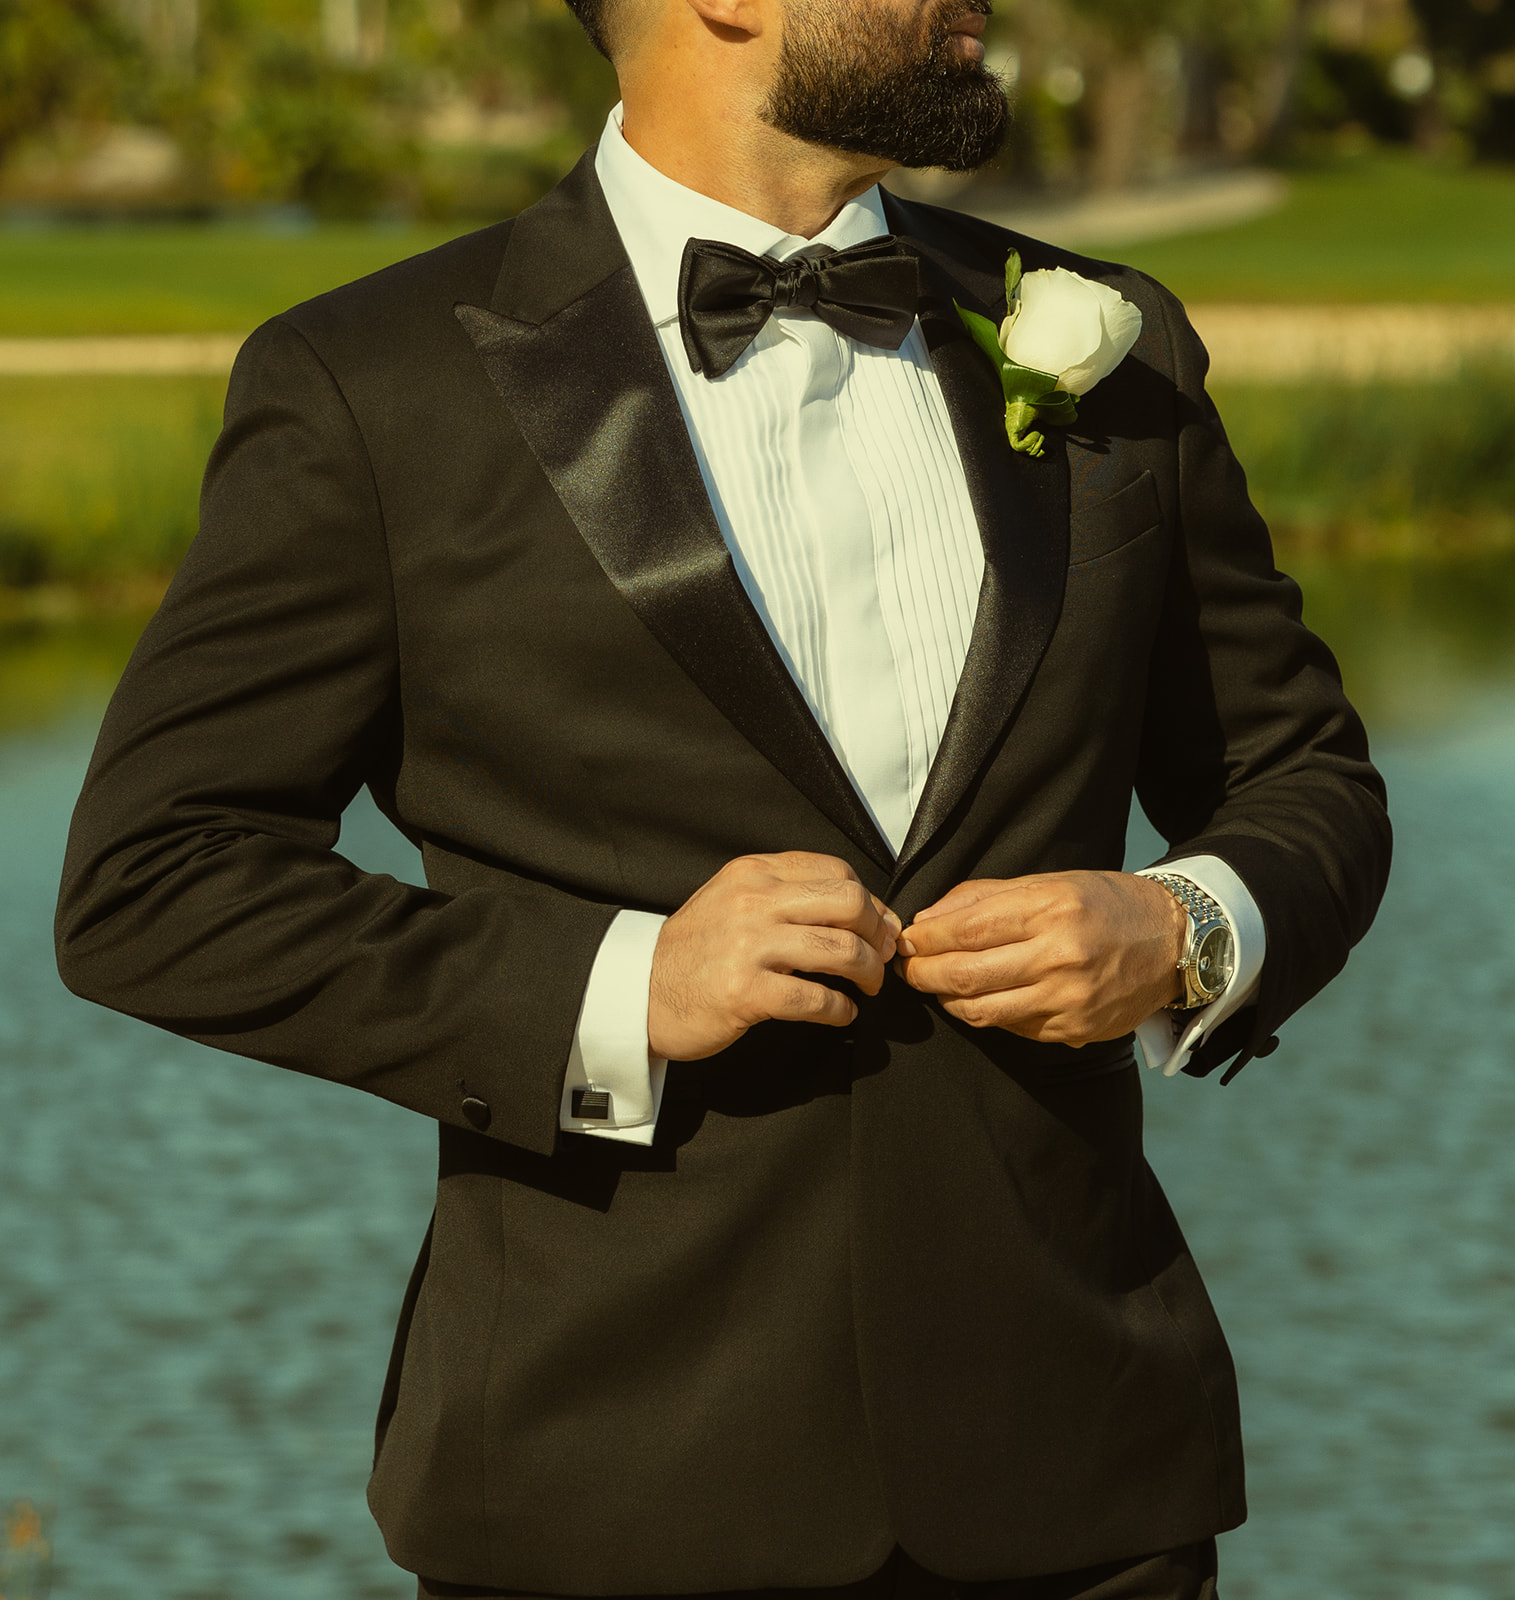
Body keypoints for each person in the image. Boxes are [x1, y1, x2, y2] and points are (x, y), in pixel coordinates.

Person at [55, 0, 1391, 1593]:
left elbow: (1297, 774)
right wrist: (622, 985)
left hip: (1086, 1478)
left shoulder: (1109, 340)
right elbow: (158, 879)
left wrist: (1184, 925)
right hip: (608, 1490)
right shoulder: (371, 386)